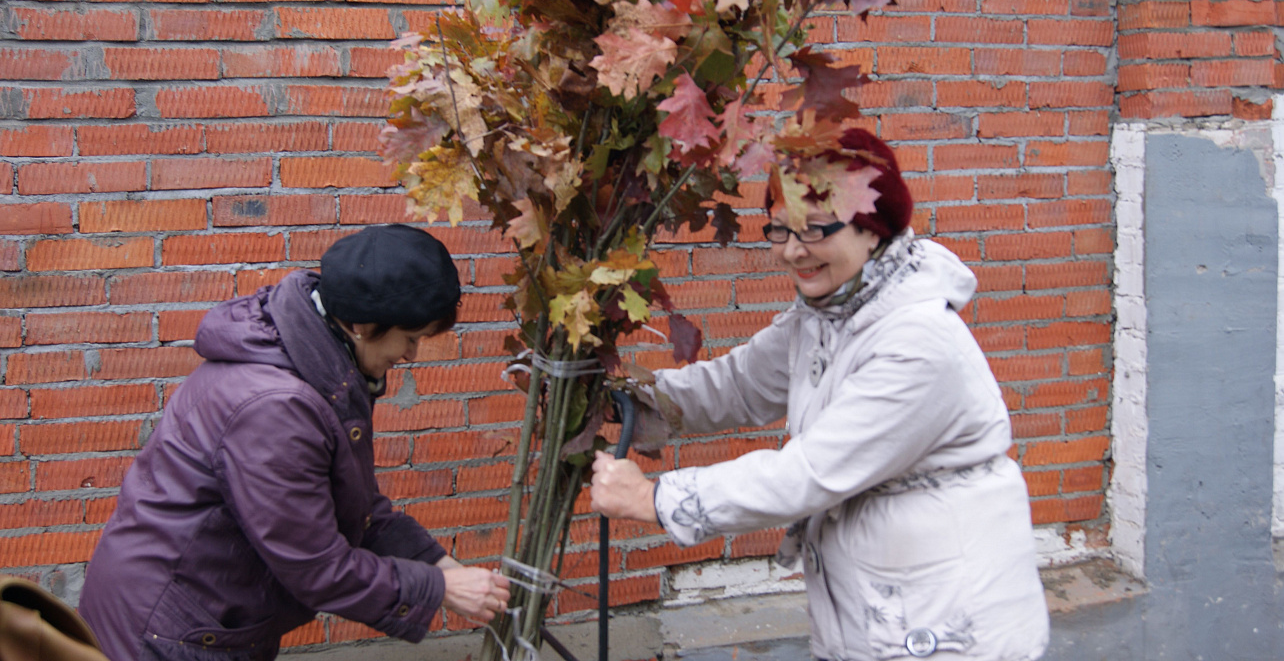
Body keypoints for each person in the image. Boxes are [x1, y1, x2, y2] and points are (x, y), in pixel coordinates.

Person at [591, 129, 1049, 661]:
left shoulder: (918, 343)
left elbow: (809, 472)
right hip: (876, 612)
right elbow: (737, 385)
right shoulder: (828, 315)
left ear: (873, 229)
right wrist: (621, 399)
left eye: (814, 230)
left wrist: (657, 499)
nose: (792, 251)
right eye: (780, 230)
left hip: (948, 624)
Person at [79, 224, 510, 661]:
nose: (412, 355)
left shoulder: (318, 361)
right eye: (412, 337)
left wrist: (439, 564)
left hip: (205, 615)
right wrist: (438, 588)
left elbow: (351, 508)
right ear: (362, 324)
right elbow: (317, 567)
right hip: (168, 631)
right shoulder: (276, 407)